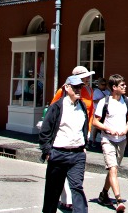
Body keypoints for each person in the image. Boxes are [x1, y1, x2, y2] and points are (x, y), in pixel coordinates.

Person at [47, 65, 97, 211]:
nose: (88, 79)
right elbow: (53, 109)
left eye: (88, 76)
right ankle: (65, 199)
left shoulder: (88, 90)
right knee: (60, 170)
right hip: (63, 133)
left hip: (81, 132)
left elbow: (91, 111)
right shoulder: (63, 91)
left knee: (76, 174)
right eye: (85, 76)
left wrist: (87, 131)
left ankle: (71, 200)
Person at [93, 74, 128, 212]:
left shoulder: (127, 101)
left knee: (113, 169)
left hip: (121, 140)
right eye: (122, 85)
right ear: (114, 87)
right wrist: (108, 129)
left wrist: (126, 129)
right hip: (107, 140)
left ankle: (104, 194)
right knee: (113, 169)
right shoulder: (104, 102)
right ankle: (118, 200)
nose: (125, 86)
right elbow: (95, 121)